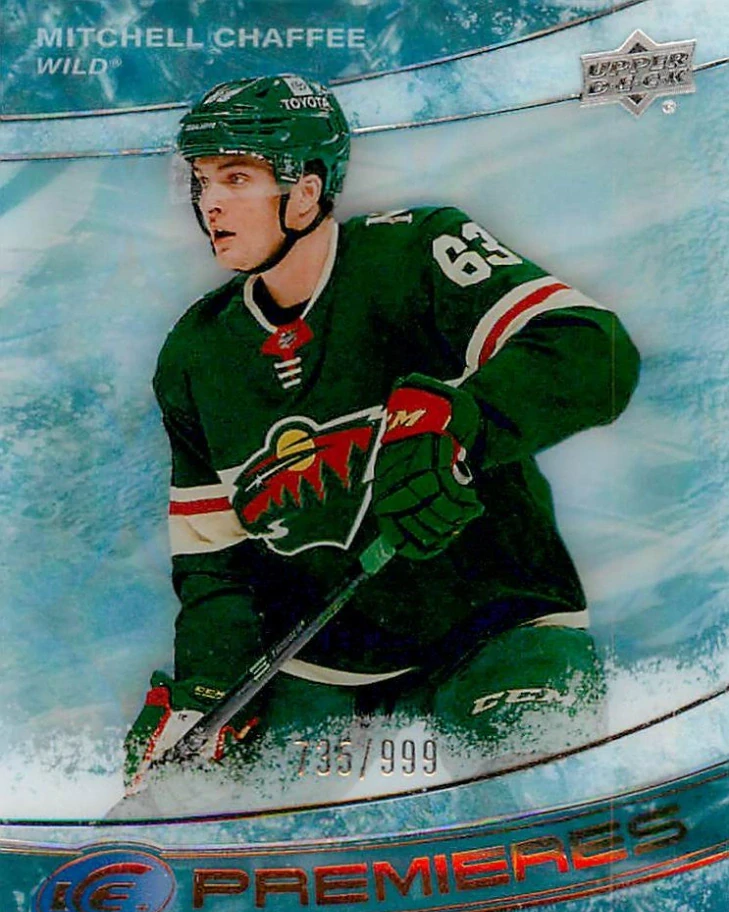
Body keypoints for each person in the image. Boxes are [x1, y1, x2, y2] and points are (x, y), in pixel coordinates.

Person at [124, 74, 640, 792]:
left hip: (497, 625)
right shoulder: (195, 352)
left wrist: (463, 423)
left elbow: (592, 348)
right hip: (322, 667)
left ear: (305, 190)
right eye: (203, 180)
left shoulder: (417, 252)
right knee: (199, 807)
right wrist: (204, 694)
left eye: (236, 178)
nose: (209, 202)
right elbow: (216, 561)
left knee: (536, 785)